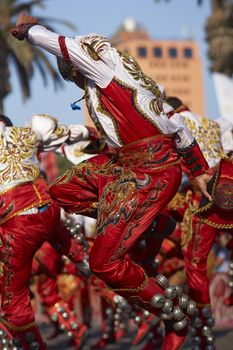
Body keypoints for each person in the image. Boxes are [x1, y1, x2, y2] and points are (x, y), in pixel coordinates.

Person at [12, 13, 211, 350]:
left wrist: (32, 31)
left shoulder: (105, 71)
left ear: (79, 66)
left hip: (150, 170)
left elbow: (66, 47)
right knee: (63, 189)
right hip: (128, 165)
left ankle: (174, 315)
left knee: (104, 263)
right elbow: (178, 126)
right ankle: (152, 224)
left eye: (73, 75)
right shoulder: (134, 87)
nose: (75, 82)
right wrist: (200, 169)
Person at [0, 113, 95, 349]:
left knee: (15, 302)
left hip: (18, 223)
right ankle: (90, 262)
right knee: (75, 252)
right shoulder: (28, 133)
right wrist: (94, 132)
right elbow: (68, 133)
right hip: (49, 209)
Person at [165, 96, 233, 349]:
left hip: (201, 199)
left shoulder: (173, 125)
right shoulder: (213, 123)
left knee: (195, 264)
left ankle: (204, 335)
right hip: (227, 189)